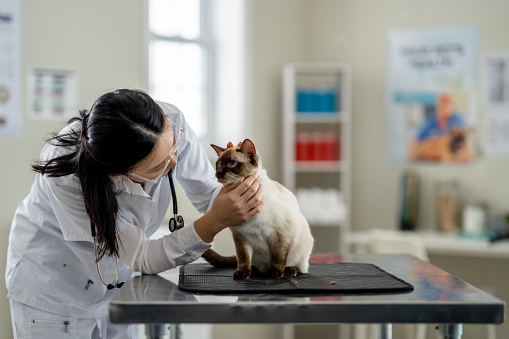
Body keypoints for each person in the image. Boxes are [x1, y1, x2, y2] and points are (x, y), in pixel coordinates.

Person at [5, 89, 264, 338]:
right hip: (54, 290)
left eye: (173, 147)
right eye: (159, 166)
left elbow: (210, 193)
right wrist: (215, 221)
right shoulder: (68, 179)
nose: (174, 162)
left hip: (118, 288)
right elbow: (141, 255)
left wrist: (247, 194)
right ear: (117, 173)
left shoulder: (166, 122)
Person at [408, 93, 473, 162]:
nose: (445, 104)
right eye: (442, 101)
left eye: (448, 101)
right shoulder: (429, 122)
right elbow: (415, 146)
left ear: (453, 104)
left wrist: (438, 144)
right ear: (437, 103)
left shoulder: (459, 120)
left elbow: (465, 147)